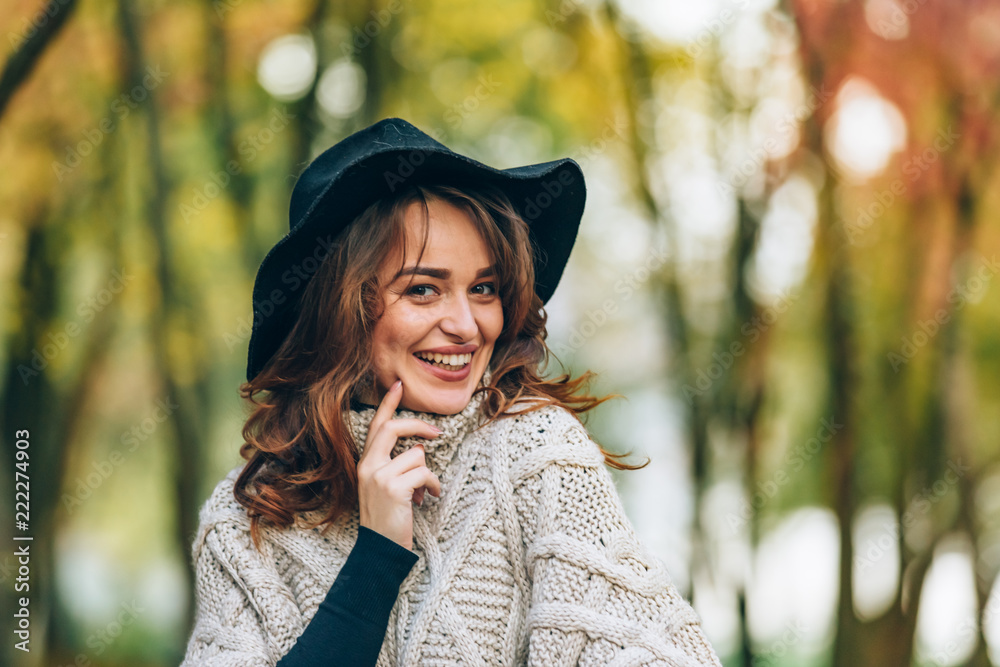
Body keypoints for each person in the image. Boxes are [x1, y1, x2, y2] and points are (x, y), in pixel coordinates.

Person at [180, 117, 722, 666]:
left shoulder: (536, 455)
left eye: (484, 288)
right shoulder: (246, 522)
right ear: (341, 310)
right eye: (423, 289)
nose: (466, 324)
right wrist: (376, 558)